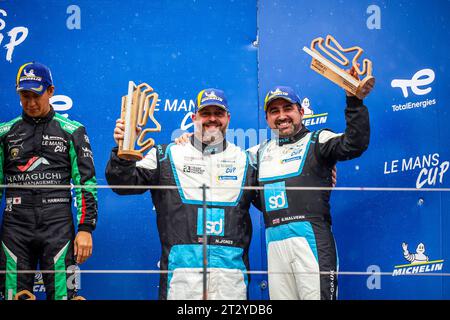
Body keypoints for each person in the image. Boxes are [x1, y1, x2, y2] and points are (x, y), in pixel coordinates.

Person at [105, 88, 256, 300]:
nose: (212, 119)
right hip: (182, 282)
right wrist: (124, 151)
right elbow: (123, 184)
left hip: (230, 281)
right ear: (194, 118)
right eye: (206, 113)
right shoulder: (166, 155)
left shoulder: (246, 160)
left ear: (228, 118)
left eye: (218, 113)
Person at [252, 67, 371, 300]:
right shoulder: (257, 153)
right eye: (274, 111)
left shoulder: (318, 140)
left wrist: (354, 101)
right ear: (267, 119)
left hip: (311, 242)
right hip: (274, 244)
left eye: (288, 108)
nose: (281, 115)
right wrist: (188, 140)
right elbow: (243, 190)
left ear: (302, 112)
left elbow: (354, 144)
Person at [0, 62, 98, 300]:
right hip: (15, 228)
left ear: (51, 91)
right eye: (25, 96)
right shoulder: (4, 133)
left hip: (58, 226)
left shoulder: (73, 130)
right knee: (14, 296)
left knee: (64, 296)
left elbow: (86, 182)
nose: (31, 103)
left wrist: (85, 228)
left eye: (37, 95)